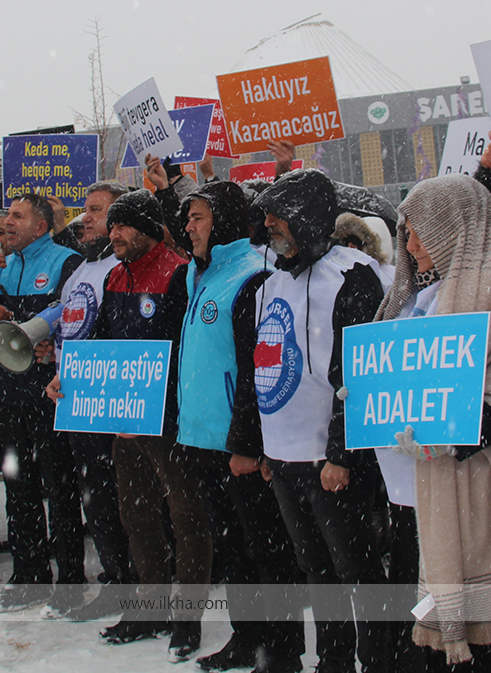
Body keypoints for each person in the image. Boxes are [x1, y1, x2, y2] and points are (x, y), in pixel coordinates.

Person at [374, 175, 491, 670]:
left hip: (481, 481)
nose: (409, 245)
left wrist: (459, 434)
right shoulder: (427, 293)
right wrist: (371, 392)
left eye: (419, 231)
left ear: (452, 229)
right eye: (404, 232)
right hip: (427, 481)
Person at [241, 169, 388, 673]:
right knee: (316, 572)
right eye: (265, 217)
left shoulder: (354, 275)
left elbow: (360, 372)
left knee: (357, 572)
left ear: (306, 218)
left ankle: (378, 659)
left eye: (277, 216)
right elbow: (262, 366)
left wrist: (342, 453)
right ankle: (334, 662)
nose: (268, 226)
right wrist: (264, 447)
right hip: (283, 460)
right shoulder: (268, 285)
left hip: (331, 461)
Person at [172, 181, 306, 673]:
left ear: (225, 220)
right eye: (187, 217)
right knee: (233, 549)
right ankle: (247, 638)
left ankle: (283, 651)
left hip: (240, 442)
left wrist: (247, 443)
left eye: (199, 216)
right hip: (203, 437)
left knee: (266, 549)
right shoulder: (199, 274)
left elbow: (257, 370)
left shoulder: (252, 276)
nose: (188, 226)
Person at [86, 189, 206, 661]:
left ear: (150, 229)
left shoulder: (179, 273)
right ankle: (152, 607)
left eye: (123, 225)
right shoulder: (115, 275)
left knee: (187, 517)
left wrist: (155, 403)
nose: (113, 233)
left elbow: (186, 352)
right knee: (137, 517)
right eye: (111, 225)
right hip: (125, 423)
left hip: (169, 424)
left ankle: (189, 619)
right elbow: (100, 343)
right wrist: (70, 378)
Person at [0, 193, 85, 611]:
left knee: (61, 490)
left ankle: (71, 580)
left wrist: (28, 323)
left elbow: (74, 312)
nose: (8, 222)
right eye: (7, 214)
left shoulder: (65, 262)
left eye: (17, 216)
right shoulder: (3, 267)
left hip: (49, 396)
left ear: (40, 227)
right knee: (18, 487)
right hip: (9, 396)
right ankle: (29, 575)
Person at [42, 180, 138, 620]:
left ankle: (132, 585)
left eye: (97, 210)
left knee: (122, 502)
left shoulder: (121, 269)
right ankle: (115, 580)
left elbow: (121, 337)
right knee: (95, 501)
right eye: (86, 209)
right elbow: (73, 329)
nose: (86, 218)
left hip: (112, 406)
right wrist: (55, 364)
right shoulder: (81, 270)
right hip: (77, 403)